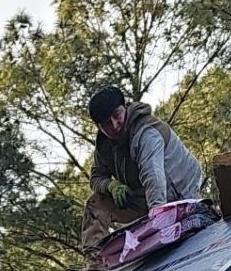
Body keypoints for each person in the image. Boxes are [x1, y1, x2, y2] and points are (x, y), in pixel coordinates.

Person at [86, 86, 204, 220]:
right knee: (95, 204)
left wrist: (158, 221)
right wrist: (110, 185)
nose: (114, 125)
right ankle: (94, 242)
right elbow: (96, 178)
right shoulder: (104, 145)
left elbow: (154, 177)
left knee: (178, 224)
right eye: (107, 123)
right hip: (142, 197)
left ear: (125, 108)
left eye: (117, 115)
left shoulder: (146, 133)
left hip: (179, 191)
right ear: (99, 127)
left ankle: (161, 219)